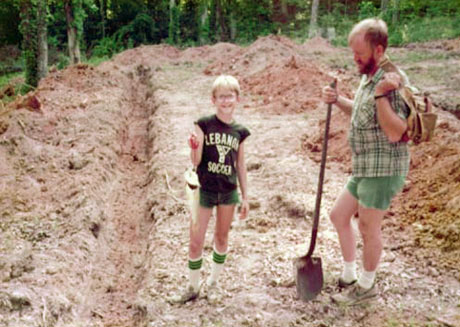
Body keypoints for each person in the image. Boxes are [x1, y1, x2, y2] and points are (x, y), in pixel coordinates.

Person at [322, 18, 410, 305]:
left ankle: (367, 286)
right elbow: (361, 112)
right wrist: (338, 100)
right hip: (364, 166)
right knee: (338, 215)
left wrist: (383, 94)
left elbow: (396, 131)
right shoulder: (367, 75)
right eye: (353, 52)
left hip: (383, 168)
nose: (354, 58)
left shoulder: (392, 81)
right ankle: (349, 274)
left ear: (379, 50)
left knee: (369, 227)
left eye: (359, 53)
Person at [171, 75, 250, 304]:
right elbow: (195, 161)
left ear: (237, 99)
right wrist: (193, 148)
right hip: (204, 190)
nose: (226, 101)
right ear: (213, 100)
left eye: (230, 96)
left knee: (221, 238)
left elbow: (241, 165)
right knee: (196, 239)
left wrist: (246, 197)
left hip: (228, 191)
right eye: (221, 97)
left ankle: (213, 284)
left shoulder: (241, 131)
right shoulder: (203, 124)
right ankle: (193, 286)